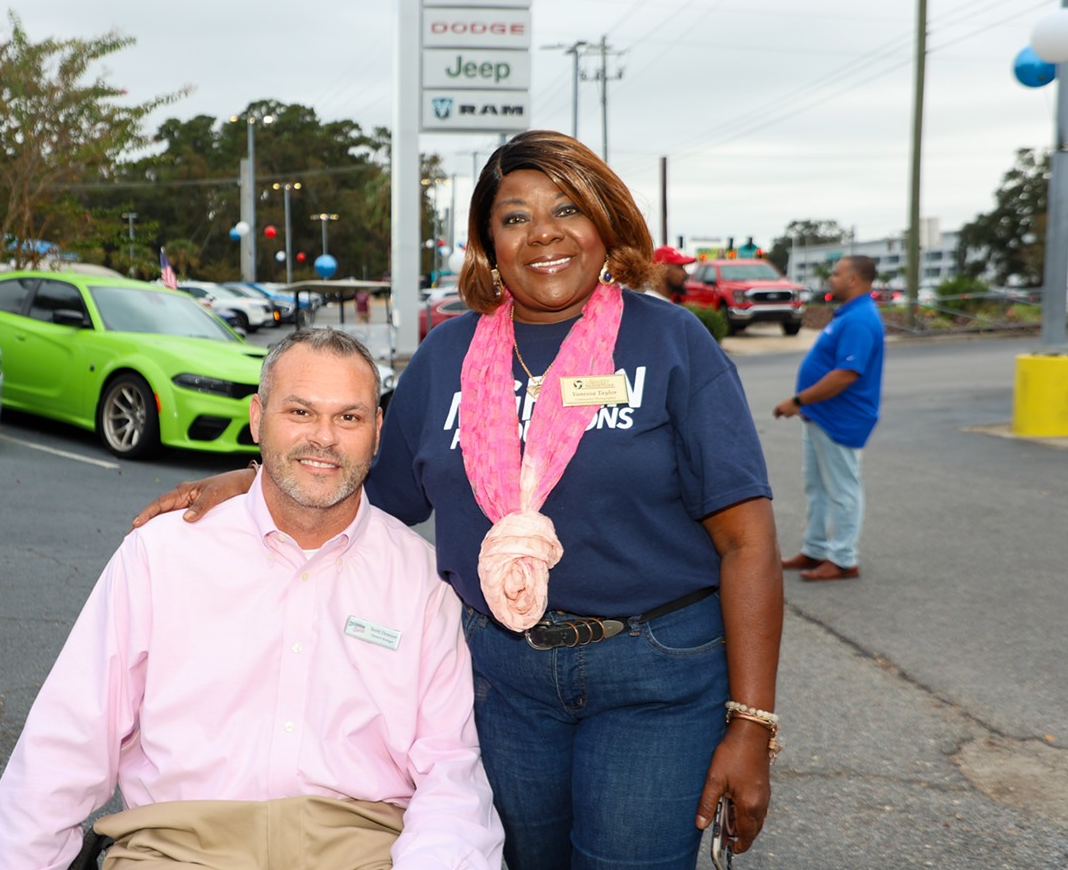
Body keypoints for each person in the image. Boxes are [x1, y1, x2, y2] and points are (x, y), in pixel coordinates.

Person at [134, 130, 784, 870]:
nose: (542, 234)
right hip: (501, 680)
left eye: (566, 208)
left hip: (654, 671)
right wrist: (255, 483)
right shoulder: (447, 356)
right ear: (487, 244)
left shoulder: (672, 344)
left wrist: (751, 725)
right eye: (514, 217)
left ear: (603, 222)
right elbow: (365, 493)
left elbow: (748, 541)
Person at [0, 328, 504, 870]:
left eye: (349, 417)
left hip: (359, 853)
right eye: (299, 412)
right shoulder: (163, 554)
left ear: (378, 430)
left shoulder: (420, 579)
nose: (324, 438)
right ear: (256, 417)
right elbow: (68, 741)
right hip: (176, 852)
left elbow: (450, 773)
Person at [773, 255, 885, 581]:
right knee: (818, 488)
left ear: (853, 279)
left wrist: (798, 400)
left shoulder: (860, 319)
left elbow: (846, 374)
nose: (831, 279)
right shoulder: (848, 314)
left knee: (843, 489)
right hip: (820, 415)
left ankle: (843, 558)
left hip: (840, 418)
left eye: (836, 274)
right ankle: (815, 548)